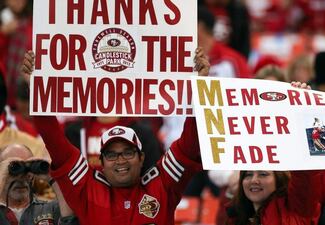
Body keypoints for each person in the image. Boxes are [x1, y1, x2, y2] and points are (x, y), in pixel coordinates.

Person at [23, 47, 210, 225]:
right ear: (101, 163)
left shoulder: (161, 185)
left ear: (141, 158)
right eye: (111, 155)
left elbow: (189, 146)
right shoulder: (87, 189)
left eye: (128, 152)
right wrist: (38, 89)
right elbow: (54, 140)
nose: (120, 160)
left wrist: (199, 86)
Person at [0, 144, 78, 225]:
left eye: (27, 169)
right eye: (14, 168)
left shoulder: (52, 209)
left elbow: (71, 219)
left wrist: (53, 177)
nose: (21, 177)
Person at [225, 170, 322, 225]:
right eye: (248, 175)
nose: (254, 180)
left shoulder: (296, 208)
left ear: (278, 179)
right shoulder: (235, 215)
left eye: (263, 174)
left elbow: (305, 176)